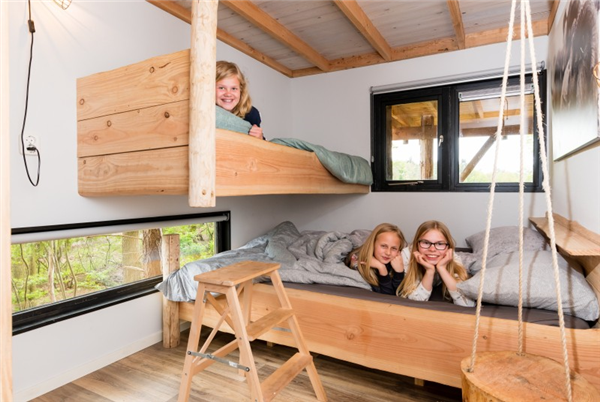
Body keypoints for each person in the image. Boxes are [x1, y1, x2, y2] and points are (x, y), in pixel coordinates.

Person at [397, 220, 475, 307]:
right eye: (426, 243)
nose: (432, 249)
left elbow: (468, 304)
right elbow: (416, 301)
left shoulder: (451, 256)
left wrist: (442, 268)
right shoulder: (407, 255)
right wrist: (429, 271)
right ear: (417, 244)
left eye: (440, 244)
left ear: (448, 247)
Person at [346, 223, 406, 295]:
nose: (388, 252)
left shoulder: (396, 262)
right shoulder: (359, 262)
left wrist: (399, 272)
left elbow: (399, 294)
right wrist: (381, 268)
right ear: (373, 244)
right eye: (383, 246)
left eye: (394, 248)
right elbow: (387, 296)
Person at [215, 60, 264, 140]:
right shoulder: (207, 110)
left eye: (234, 88)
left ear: (241, 90)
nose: (228, 94)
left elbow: (260, 140)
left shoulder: (251, 113)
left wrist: (260, 137)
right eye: (221, 88)